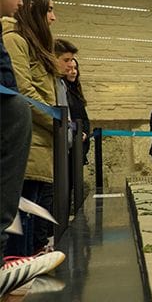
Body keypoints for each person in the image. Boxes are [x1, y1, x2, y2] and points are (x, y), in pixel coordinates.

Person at [2, 0, 60, 258]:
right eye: (49, 9)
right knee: (20, 226)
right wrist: (56, 120)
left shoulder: (32, 43)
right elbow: (22, 91)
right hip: (29, 144)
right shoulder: (15, 40)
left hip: (41, 145)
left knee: (34, 219)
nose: (53, 17)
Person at [65, 57, 91, 215]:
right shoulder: (62, 90)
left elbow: (84, 119)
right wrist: (76, 130)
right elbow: (66, 119)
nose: (73, 71)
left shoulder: (76, 92)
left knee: (75, 184)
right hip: (67, 145)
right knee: (66, 187)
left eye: (75, 68)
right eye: (69, 68)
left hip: (78, 144)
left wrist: (85, 132)